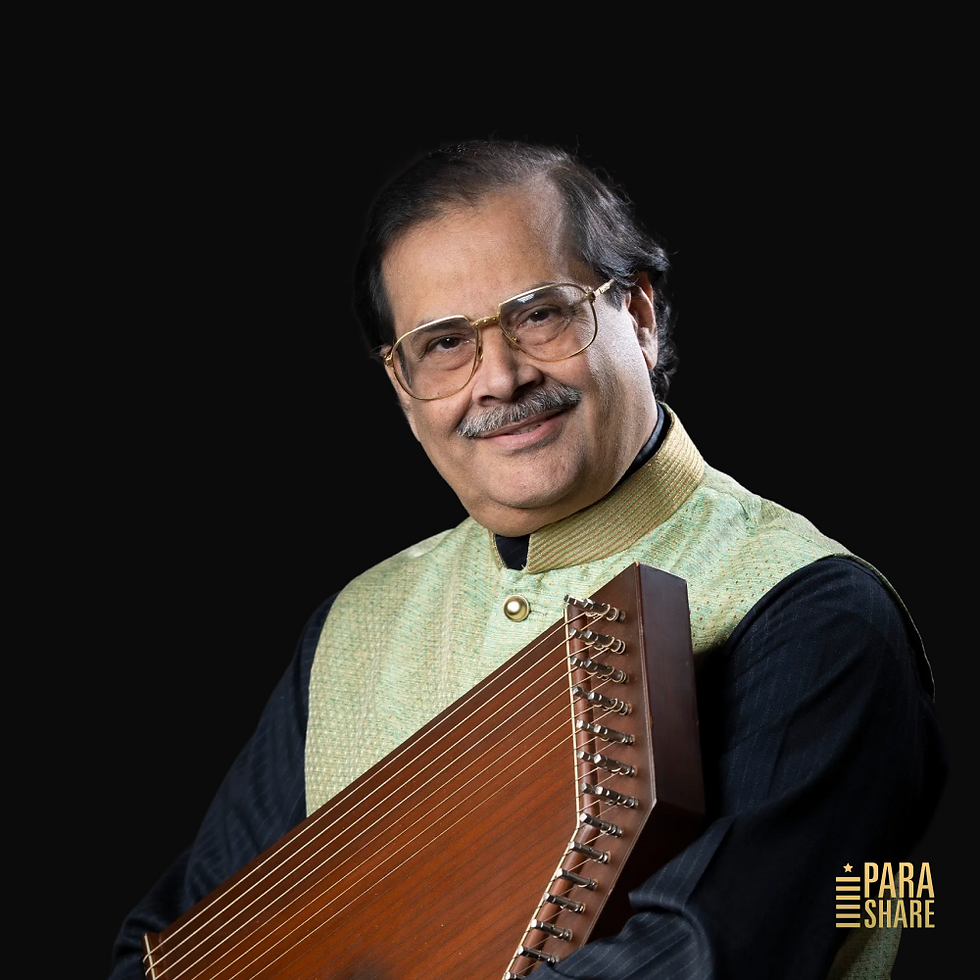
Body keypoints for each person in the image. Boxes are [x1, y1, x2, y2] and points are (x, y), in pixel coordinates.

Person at [109, 139, 946, 979]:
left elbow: (704, 957)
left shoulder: (817, 610)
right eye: (444, 343)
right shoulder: (354, 628)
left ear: (640, 317)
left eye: (540, 313)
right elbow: (167, 951)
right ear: (402, 387)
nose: (500, 378)